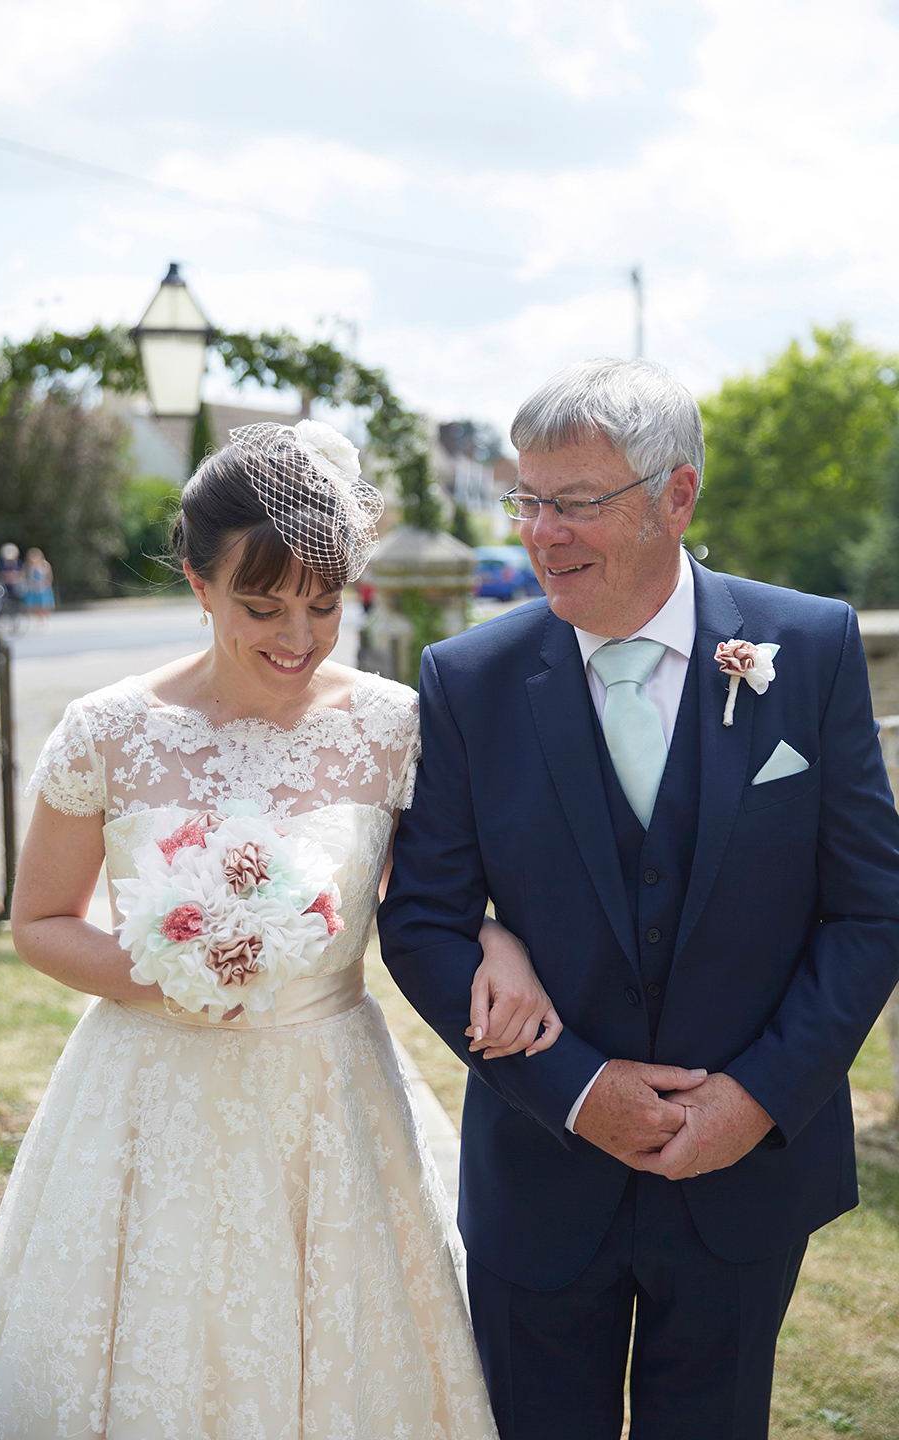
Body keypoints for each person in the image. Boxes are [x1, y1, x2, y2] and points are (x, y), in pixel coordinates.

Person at [0, 420, 553, 1439]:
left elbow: (427, 898)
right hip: (148, 1095)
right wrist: (167, 974)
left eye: (324, 605)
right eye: (261, 605)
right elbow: (41, 922)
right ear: (196, 579)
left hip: (331, 1090)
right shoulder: (108, 730)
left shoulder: (394, 724)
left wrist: (499, 939)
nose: (299, 637)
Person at [378, 358, 899, 1440]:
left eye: (577, 503)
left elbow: (870, 907)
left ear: (678, 497)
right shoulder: (467, 679)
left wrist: (756, 1098)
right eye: (526, 499)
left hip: (749, 1181)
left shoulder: (808, 650)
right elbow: (422, 919)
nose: (541, 533)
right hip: (540, 1177)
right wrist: (576, 1089)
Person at [22, 546, 55, 620]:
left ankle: (45, 619)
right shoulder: (27, 566)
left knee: (45, 605)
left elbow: (49, 576)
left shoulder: (45, 565)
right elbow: (25, 576)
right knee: (34, 606)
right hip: (33, 589)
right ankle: (38, 619)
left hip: (43, 588)